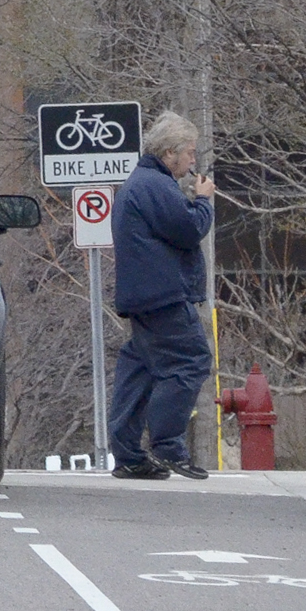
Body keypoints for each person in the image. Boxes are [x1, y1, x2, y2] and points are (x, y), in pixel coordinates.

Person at [108, 108, 218, 480]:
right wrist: (202, 200)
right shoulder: (154, 185)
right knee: (191, 361)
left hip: (142, 295)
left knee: (139, 370)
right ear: (169, 153)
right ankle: (168, 446)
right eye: (189, 153)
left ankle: (127, 454)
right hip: (163, 296)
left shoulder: (138, 184)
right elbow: (188, 229)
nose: (192, 161)